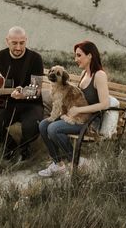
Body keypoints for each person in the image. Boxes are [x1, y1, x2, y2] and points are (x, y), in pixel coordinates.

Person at [38, 40, 110, 177]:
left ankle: (77, 161)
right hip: (74, 115)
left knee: (53, 128)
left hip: (90, 121)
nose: (75, 59)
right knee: (43, 125)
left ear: (90, 56)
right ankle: (57, 164)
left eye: (79, 55)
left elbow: (105, 104)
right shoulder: (84, 74)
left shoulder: (99, 75)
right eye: (75, 56)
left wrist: (78, 110)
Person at [0, 26, 44, 161]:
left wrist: (24, 93)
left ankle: (24, 149)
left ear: (26, 40)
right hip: (8, 103)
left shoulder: (35, 58)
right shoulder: (1, 56)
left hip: (31, 104)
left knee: (32, 127)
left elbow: (36, 90)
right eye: (14, 43)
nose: (18, 47)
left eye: (22, 43)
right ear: (7, 41)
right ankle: (11, 147)